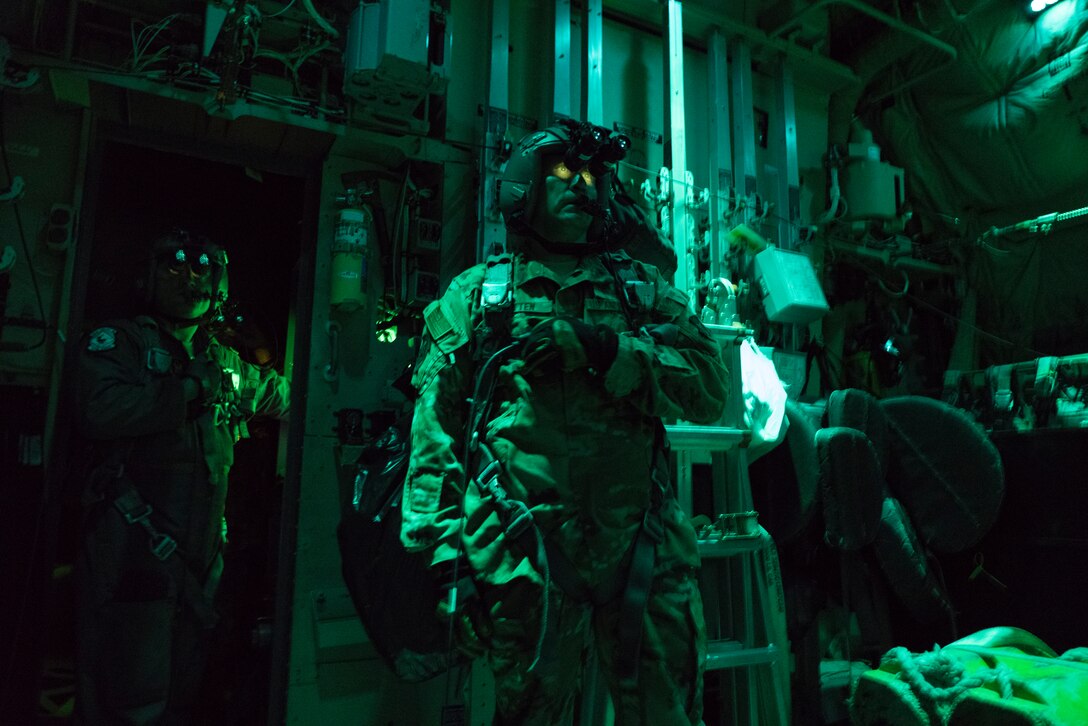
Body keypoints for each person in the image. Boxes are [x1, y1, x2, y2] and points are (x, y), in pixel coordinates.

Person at [401, 120, 729, 725]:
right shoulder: (478, 297)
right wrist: (447, 566)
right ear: (524, 187)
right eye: (561, 174)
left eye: (590, 177)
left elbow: (712, 390)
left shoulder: (644, 293)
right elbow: (436, 436)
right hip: (523, 564)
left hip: (642, 552)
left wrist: (609, 350)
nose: (581, 185)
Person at [73, 229, 291, 725]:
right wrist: (187, 392)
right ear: (147, 276)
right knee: (126, 693)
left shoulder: (224, 362)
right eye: (173, 263)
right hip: (133, 553)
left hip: (197, 568)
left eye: (201, 266)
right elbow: (99, 409)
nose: (188, 275)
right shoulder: (119, 342)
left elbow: (285, 397)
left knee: (181, 692)